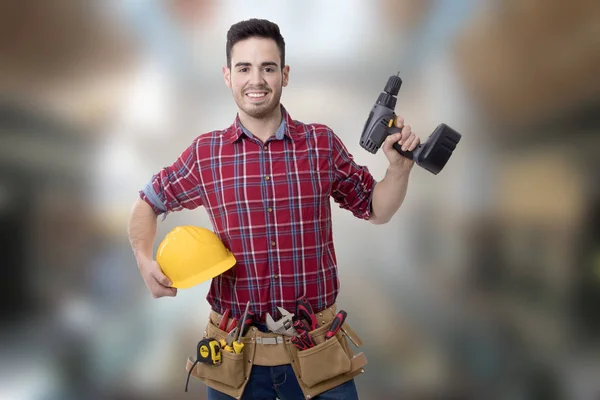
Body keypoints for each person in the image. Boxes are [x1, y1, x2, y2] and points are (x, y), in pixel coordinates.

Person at [127, 18, 420, 400]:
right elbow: (147, 201)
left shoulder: (320, 144)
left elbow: (376, 209)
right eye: (244, 68)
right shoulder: (206, 154)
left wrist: (398, 169)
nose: (256, 79)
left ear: (284, 74)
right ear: (227, 76)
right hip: (234, 364)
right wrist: (143, 259)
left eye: (267, 67)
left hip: (318, 355)